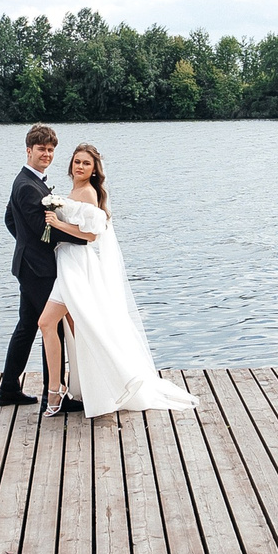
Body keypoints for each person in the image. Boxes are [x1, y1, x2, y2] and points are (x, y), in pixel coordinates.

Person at [35, 143, 198, 418]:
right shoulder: (71, 193)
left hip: (78, 267)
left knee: (47, 322)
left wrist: (57, 223)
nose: (80, 167)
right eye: (77, 161)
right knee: (80, 330)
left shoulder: (87, 193)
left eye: (86, 163)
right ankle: (90, 387)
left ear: (94, 170)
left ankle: (57, 391)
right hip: (65, 264)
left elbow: (91, 235)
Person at [0, 125, 90, 409]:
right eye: (41, 149)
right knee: (54, 328)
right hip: (38, 269)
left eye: (50, 150)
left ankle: (9, 389)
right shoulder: (27, 185)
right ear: (29, 151)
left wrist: (26, 245)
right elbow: (40, 228)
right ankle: (55, 397)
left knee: (27, 327)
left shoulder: (30, 181)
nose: (47, 154)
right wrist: (79, 236)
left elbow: (10, 220)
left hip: (30, 265)